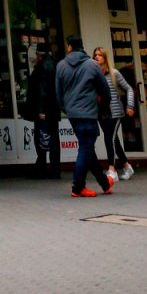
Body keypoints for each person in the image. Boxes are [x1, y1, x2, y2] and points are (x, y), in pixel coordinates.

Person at [56, 36, 113, 199]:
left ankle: (104, 183)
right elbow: (105, 91)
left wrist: (66, 109)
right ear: (82, 47)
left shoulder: (61, 66)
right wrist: (102, 109)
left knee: (87, 148)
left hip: (72, 114)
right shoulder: (92, 65)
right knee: (85, 148)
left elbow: (58, 93)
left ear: (69, 47)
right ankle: (78, 186)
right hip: (88, 112)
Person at [92, 47, 135, 182]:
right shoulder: (94, 74)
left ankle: (112, 170)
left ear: (105, 58)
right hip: (101, 112)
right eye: (95, 55)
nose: (97, 57)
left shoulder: (113, 73)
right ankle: (127, 166)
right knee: (113, 140)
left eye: (100, 55)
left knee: (108, 139)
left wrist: (130, 106)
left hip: (114, 112)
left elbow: (129, 88)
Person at [24, 49, 61, 178]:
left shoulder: (42, 68)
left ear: (40, 55)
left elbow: (42, 90)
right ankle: (55, 167)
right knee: (53, 138)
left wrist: (41, 110)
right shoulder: (55, 66)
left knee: (41, 138)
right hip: (53, 109)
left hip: (44, 110)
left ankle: (42, 166)